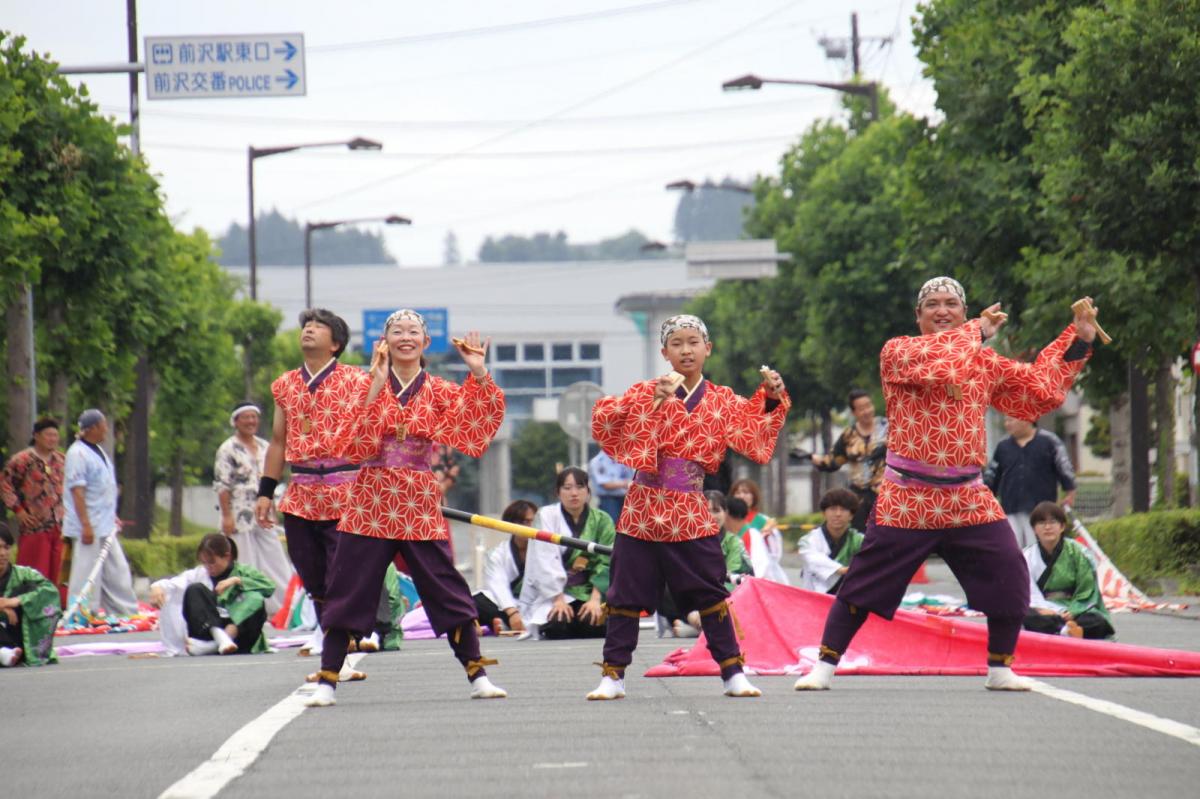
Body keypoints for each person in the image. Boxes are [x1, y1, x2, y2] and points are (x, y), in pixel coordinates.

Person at [794, 277, 1097, 694]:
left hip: (967, 495)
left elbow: (1037, 393)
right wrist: (975, 331)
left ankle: (1000, 668)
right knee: (862, 583)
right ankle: (825, 665)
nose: (942, 311)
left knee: (1010, 575)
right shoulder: (898, 352)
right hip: (909, 495)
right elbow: (939, 361)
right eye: (932, 304)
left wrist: (1078, 340)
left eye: (951, 304)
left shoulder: (984, 363)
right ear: (917, 317)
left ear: (964, 309)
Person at [309, 309, 507, 707]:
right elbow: (349, 446)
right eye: (396, 331)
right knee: (347, 588)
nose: (405, 337)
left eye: (413, 331)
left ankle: (477, 673)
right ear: (384, 342)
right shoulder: (362, 385)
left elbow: (476, 426)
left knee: (446, 587)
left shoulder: (439, 389)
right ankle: (327, 680)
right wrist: (376, 385)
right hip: (370, 497)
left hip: (417, 498)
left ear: (425, 342)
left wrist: (479, 373)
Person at [588, 313, 790, 700]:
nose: (686, 350)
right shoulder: (646, 389)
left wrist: (772, 397)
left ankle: (733, 672)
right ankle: (613, 675)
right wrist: (651, 401)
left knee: (711, 593)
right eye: (677, 343)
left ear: (707, 349)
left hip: (690, 507)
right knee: (625, 594)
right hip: (643, 507)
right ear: (665, 352)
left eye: (693, 342)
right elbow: (605, 423)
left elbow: (754, 436)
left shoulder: (723, 400)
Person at [256, 309, 366, 661]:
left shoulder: (358, 381)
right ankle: (335, 643)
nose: (309, 330)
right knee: (312, 575)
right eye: (306, 325)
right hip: (300, 492)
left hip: (346, 491)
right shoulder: (285, 384)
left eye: (319, 327)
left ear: (336, 344)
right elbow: (277, 441)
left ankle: (338, 648)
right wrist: (265, 492)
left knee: (341, 574)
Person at [214, 401, 293, 615]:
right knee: (245, 560)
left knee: (275, 558)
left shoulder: (265, 446)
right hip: (239, 513)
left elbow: (272, 477)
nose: (251, 421)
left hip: (264, 511)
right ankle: (247, 607)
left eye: (254, 417)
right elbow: (222, 485)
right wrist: (226, 516)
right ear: (236, 421)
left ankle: (283, 608)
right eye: (246, 417)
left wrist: (273, 508)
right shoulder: (227, 449)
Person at [62, 410, 138, 617]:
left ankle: (124, 610)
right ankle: (82, 612)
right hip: (88, 524)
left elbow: (103, 488)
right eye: (104, 425)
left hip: (104, 522)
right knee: (86, 571)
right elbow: (77, 491)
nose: (106, 429)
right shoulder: (77, 453)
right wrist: (85, 524)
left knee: (117, 569)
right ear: (93, 428)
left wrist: (112, 514)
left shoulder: (97, 450)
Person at [149, 534, 276, 656]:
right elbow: (173, 584)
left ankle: (217, 643)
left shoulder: (244, 571)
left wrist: (237, 581)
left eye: (212, 562)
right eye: (204, 563)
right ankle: (219, 639)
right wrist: (157, 587)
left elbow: (269, 587)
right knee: (195, 589)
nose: (208, 567)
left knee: (255, 598)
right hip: (208, 632)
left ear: (227, 556)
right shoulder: (200, 573)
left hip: (241, 636)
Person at [528, 467, 615, 640]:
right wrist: (558, 599)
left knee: (593, 624)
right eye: (567, 488)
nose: (574, 493)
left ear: (588, 491)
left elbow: (607, 560)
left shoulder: (602, 519)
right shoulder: (546, 516)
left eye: (580, 487)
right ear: (558, 492)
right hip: (555, 592)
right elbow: (544, 559)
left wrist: (596, 599)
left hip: (592, 591)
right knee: (558, 624)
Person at [661, 493, 753, 638]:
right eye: (706, 511)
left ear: (725, 513)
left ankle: (700, 628)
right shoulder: (685, 539)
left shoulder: (734, 542)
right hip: (693, 603)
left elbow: (734, 580)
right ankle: (698, 622)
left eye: (716, 511)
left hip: (725, 598)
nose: (711, 516)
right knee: (662, 584)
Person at [1021, 501, 1114, 640]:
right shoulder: (1026, 556)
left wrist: (1073, 611)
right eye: (1041, 523)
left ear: (1062, 526)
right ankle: (1067, 630)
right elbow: (1026, 593)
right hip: (1044, 611)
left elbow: (1087, 590)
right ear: (1034, 529)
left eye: (1052, 522)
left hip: (1074, 610)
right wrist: (1045, 610)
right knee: (1023, 615)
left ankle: (1061, 629)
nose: (1047, 527)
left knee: (1096, 620)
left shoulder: (1079, 553)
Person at [984, 416, 1077, 549]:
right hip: (1011, 509)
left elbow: (1064, 467)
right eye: (1005, 421)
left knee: (1038, 549)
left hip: (1042, 510)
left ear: (1026, 419)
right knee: (1013, 550)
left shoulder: (1049, 441)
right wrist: (985, 500)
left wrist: (1070, 493)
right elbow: (991, 475)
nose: (1007, 424)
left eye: (1011, 420)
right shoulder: (1002, 446)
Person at [1, 417, 66, 602]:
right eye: (48, 435)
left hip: (59, 525)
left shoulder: (61, 460)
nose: (53, 439)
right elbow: (5, 484)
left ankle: (58, 608)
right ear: (36, 436)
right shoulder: (22, 460)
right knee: (35, 569)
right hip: (34, 524)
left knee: (60, 571)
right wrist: (18, 510)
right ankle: (30, 605)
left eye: (55, 435)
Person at [813, 390, 888, 530]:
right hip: (858, 498)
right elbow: (835, 461)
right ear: (854, 413)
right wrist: (817, 460)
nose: (866, 411)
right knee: (858, 537)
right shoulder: (848, 435)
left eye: (868, 406)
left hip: (885, 495)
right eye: (861, 409)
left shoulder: (888, 427)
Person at [473, 500, 539, 634]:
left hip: (535, 604)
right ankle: (504, 622)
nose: (528, 526)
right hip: (508, 606)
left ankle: (502, 624)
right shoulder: (498, 553)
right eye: (523, 522)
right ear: (510, 525)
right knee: (475, 601)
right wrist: (512, 612)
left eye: (531, 522)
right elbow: (498, 585)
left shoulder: (545, 551)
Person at [0, 527, 60, 667]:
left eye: (6, 547)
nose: (2, 553)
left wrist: (15, 601)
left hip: (17, 634)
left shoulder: (24, 574)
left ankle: (9, 653)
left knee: (30, 589)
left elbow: (51, 592)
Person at [798, 488, 865, 594]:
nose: (838, 514)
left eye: (843, 509)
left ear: (851, 515)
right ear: (824, 513)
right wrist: (841, 570)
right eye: (833, 509)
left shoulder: (859, 540)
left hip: (847, 598)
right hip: (814, 596)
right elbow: (812, 558)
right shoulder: (809, 540)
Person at [729, 479, 788, 585]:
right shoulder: (727, 520)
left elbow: (775, 552)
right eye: (737, 493)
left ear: (754, 496)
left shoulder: (765, 521)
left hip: (760, 572)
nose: (741, 496)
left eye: (746, 492)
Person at [588, 449, 634, 522]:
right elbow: (606, 484)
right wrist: (624, 483)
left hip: (627, 499)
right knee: (611, 526)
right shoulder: (598, 461)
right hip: (608, 500)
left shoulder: (626, 459)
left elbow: (632, 479)